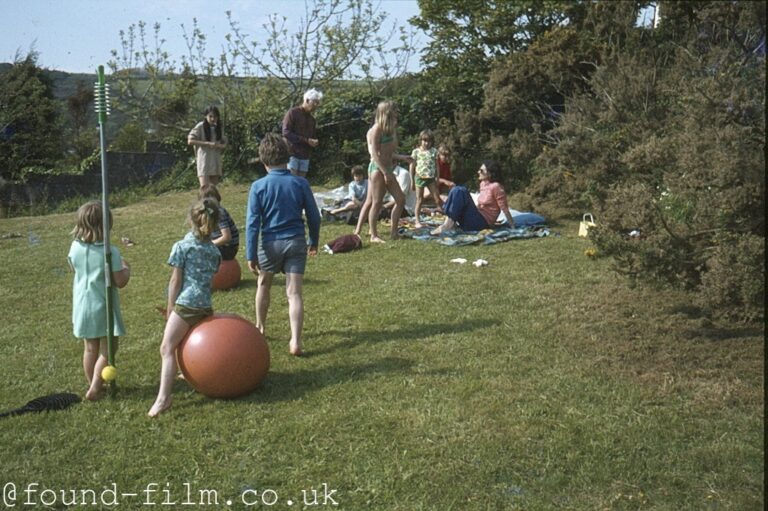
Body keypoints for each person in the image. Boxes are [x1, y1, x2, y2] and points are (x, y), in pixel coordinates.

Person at [246, 133, 321, 356]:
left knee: (263, 284)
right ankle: (295, 341)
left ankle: (260, 327)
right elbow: (314, 217)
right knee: (294, 293)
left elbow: (252, 223)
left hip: (269, 244)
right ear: (288, 157)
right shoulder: (300, 182)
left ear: (263, 160)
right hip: (296, 242)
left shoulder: (258, 186)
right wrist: (313, 241)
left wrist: (251, 254)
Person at [148, 199, 222, 417]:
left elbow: (175, 281)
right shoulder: (215, 252)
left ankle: (163, 399)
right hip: (205, 305)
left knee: (167, 348)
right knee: (183, 342)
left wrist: (171, 307)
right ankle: (188, 375)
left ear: (191, 220)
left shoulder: (182, 246)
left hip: (186, 304)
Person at [68, 201, 131, 401]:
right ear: (106, 225)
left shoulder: (75, 247)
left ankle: (93, 384)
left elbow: (74, 268)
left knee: (89, 348)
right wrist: (126, 267)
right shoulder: (109, 252)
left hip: (82, 305)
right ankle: (96, 386)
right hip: (102, 306)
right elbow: (119, 281)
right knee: (108, 348)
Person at [353, 100, 412, 243]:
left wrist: (402, 157)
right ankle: (373, 235)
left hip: (388, 168)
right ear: (387, 113)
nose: (396, 113)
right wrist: (385, 172)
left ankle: (394, 232)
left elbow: (388, 153)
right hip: (377, 169)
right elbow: (375, 155)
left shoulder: (391, 128)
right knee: (377, 202)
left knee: (400, 199)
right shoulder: (376, 129)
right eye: (394, 111)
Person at [431, 160, 515, 235]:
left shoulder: (496, 187)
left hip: (482, 223)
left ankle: (448, 225)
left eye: (481, 170)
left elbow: (505, 209)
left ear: (489, 173)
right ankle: (449, 223)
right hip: (474, 218)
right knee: (456, 189)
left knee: (461, 190)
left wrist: (512, 227)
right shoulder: (482, 184)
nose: (478, 172)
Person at [282, 88, 323, 177]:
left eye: (318, 103)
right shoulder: (292, 113)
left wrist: (314, 141)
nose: (316, 105)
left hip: (305, 155)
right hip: (292, 154)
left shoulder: (312, 120)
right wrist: (306, 140)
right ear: (307, 100)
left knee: (301, 183)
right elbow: (286, 132)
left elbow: (312, 136)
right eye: (315, 102)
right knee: (292, 182)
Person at [409, 129, 443, 228]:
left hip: (431, 178)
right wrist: (412, 180)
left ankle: (445, 215)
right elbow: (412, 166)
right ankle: (417, 220)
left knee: (437, 198)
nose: (426, 143)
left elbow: (437, 166)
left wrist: (438, 178)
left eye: (429, 141)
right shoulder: (416, 152)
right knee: (419, 200)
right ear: (421, 140)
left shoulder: (434, 151)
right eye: (424, 141)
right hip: (419, 178)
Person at [188, 106, 227, 188]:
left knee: (213, 189)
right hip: (204, 161)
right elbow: (190, 141)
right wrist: (207, 144)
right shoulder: (200, 126)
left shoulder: (219, 128)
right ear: (206, 116)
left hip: (215, 160)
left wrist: (220, 146)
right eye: (210, 116)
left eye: (215, 117)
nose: (213, 119)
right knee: (204, 188)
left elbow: (224, 143)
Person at [198, 184, 239, 260]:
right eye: (205, 199)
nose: (208, 201)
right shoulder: (208, 212)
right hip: (220, 245)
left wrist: (209, 245)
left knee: (199, 254)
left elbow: (227, 237)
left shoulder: (219, 213)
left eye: (211, 198)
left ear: (217, 198)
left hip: (228, 247)